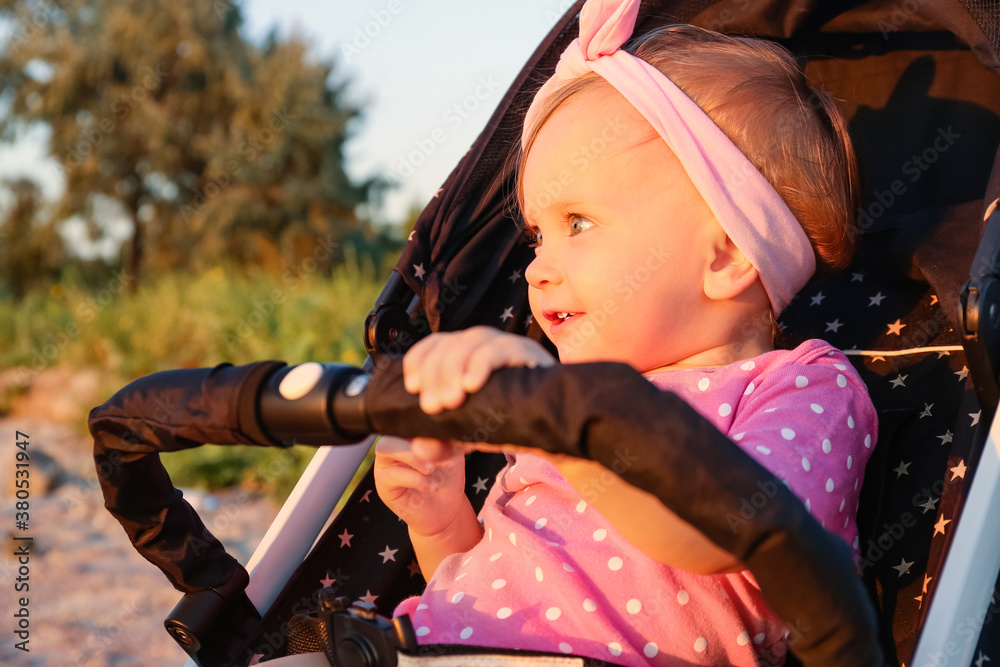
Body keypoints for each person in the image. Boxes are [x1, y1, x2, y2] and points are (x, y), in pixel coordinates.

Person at [373, 0, 875, 664]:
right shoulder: (564, 406)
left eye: (577, 223)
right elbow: (496, 580)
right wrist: (439, 520)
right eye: (535, 236)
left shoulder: (803, 385)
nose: (537, 269)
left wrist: (574, 430)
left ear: (723, 255)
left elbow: (744, 529)